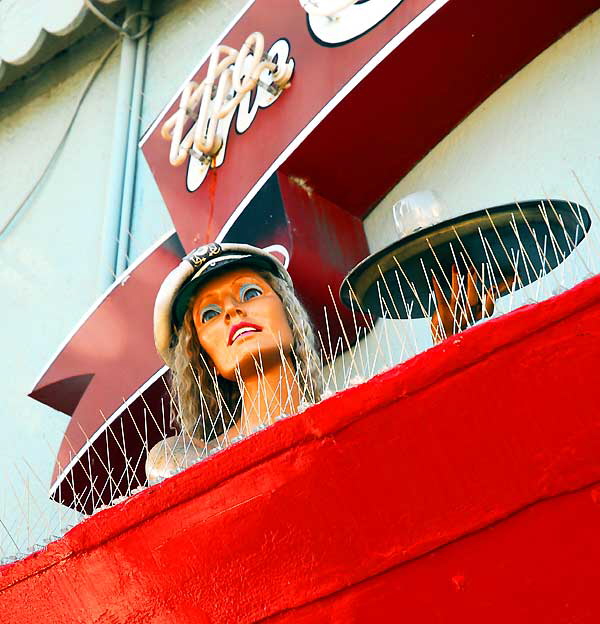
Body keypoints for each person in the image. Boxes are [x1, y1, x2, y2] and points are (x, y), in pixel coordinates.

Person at [146, 243, 322, 484]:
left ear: (289, 314)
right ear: (205, 357)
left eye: (250, 293)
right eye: (210, 314)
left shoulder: (351, 411)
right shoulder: (194, 456)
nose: (231, 310)